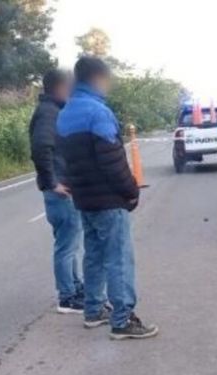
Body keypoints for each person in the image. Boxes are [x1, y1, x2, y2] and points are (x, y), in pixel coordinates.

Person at [55, 56, 159, 340]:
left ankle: (93, 310)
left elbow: (65, 161)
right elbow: (113, 160)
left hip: (84, 200)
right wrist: (131, 191)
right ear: (97, 78)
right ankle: (123, 319)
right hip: (109, 200)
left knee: (94, 256)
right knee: (119, 259)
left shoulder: (65, 114)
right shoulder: (97, 113)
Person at [29, 69, 85, 314]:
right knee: (66, 245)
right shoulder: (48, 113)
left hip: (65, 187)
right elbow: (41, 148)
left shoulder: (54, 111)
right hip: (60, 192)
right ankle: (67, 296)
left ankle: (75, 286)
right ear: (60, 88)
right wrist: (53, 183)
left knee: (71, 243)